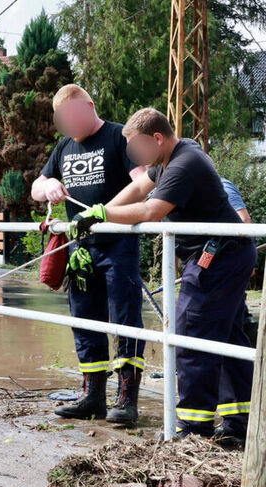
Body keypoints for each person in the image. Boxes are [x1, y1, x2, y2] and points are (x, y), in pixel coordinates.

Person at [71, 107, 253, 448]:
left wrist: (103, 213)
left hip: (219, 256)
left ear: (156, 138)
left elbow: (151, 210)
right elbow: (139, 187)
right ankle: (237, 423)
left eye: (137, 148)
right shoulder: (169, 156)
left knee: (190, 331)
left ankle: (193, 425)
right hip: (222, 255)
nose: (134, 157)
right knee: (225, 337)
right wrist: (97, 213)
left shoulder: (184, 163)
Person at [31, 84, 147, 426]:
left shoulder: (118, 138)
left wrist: (104, 211)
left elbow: (143, 181)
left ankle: (126, 399)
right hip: (80, 250)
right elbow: (37, 186)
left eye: (71, 116)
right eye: (61, 120)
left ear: (89, 106)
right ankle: (92, 395)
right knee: (84, 321)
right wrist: (48, 187)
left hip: (118, 246)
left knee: (125, 321)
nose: (67, 125)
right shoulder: (64, 147)